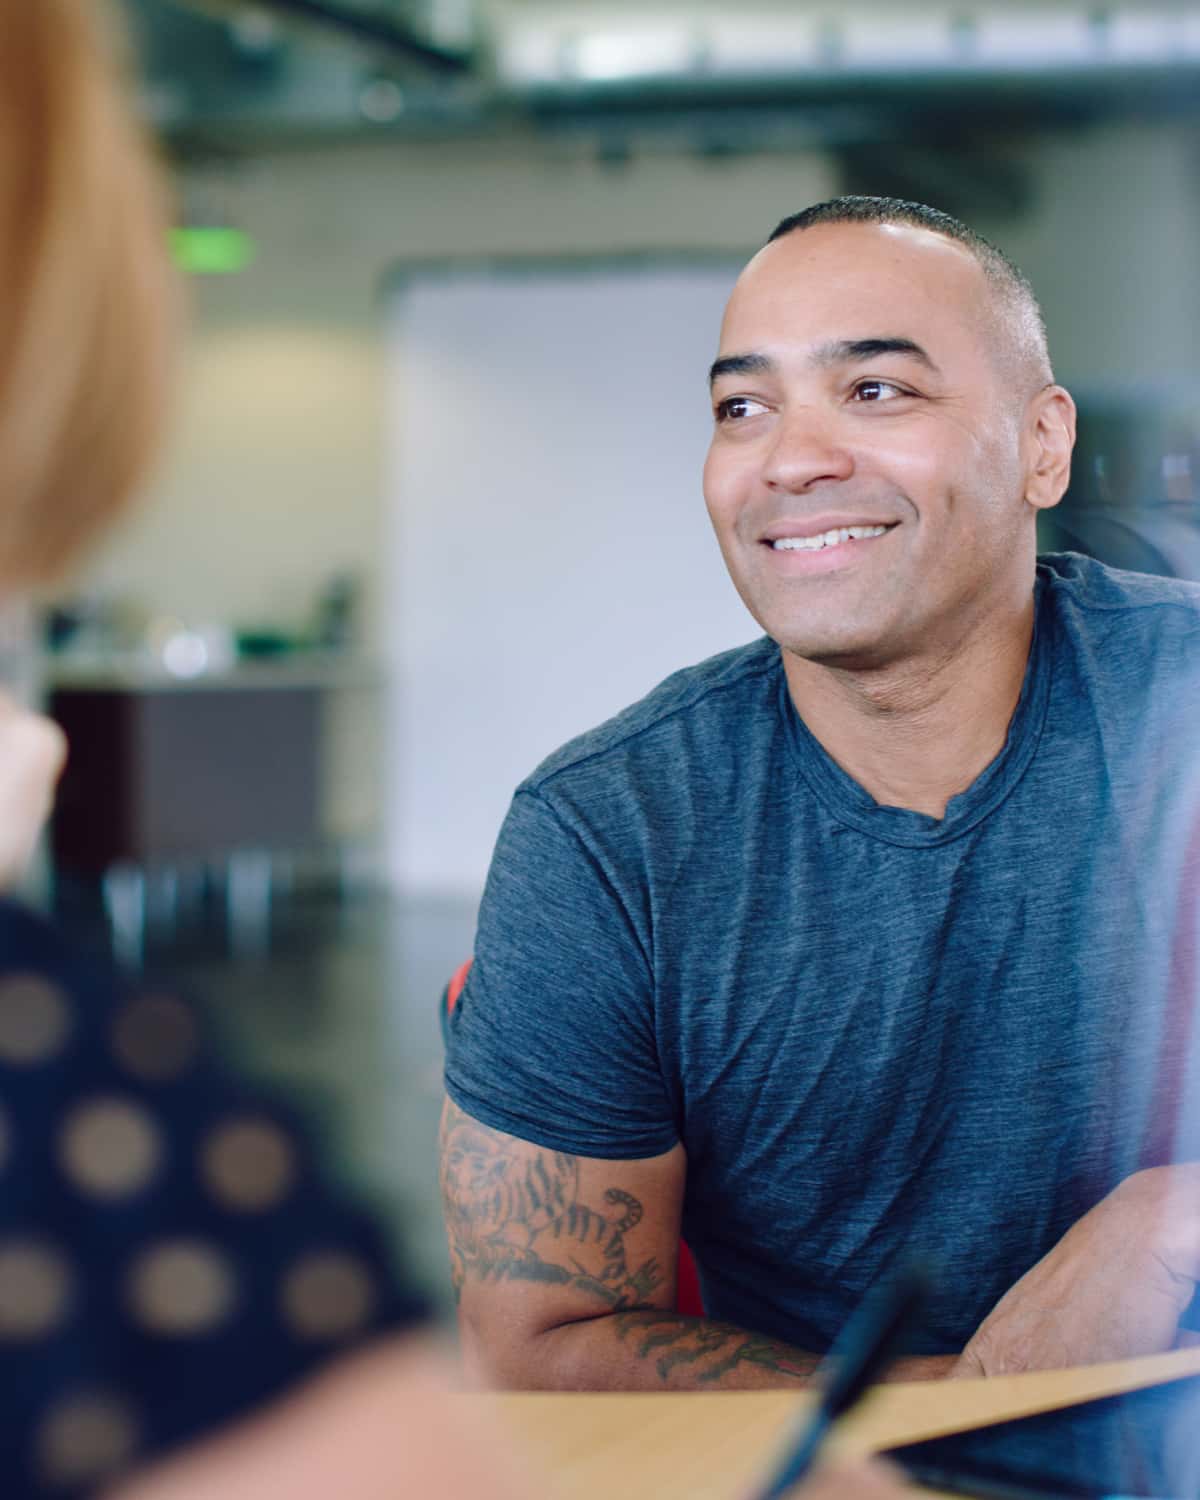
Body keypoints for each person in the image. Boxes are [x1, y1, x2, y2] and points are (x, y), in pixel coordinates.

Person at [441, 196, 1200, 1391]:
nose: (792, 459)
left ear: (1043, 446)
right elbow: (541, 1342)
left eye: (877, 391)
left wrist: (1171, 1217)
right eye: (744, 408)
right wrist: (972, 1408)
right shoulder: (607, 834)